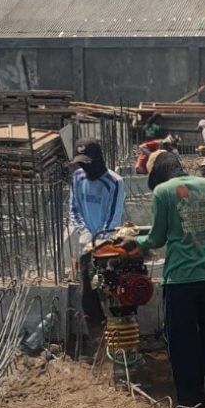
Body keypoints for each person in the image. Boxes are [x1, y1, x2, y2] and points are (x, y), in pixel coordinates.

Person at [127, 150, 205, 408]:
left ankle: (191, 404)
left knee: (184, 342)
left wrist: (131, 242)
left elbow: (156, 239)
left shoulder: (163, 192)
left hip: (180, 280)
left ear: (159, 172)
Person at [69, 139, 126, 330]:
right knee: (88, 292)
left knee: (112, 287)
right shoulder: (77, 177)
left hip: (107, 244)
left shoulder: (114, 182)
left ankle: (120, 330)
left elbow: (113, 217)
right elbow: (74, 209)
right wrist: (84, 232)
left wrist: (100, 240)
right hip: (86, 243)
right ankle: (97, 334)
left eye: (88, 163)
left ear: (98, 160)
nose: (84, 167)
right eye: (81, 163)